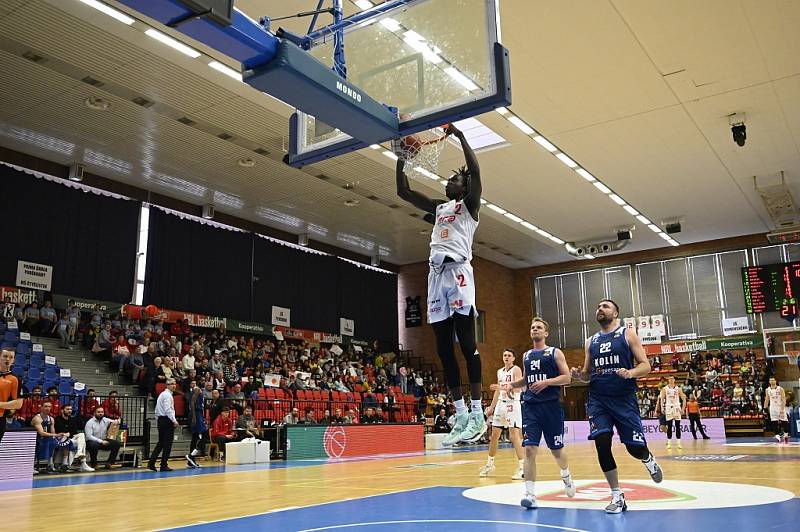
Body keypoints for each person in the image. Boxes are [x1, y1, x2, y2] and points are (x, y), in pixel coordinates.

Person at [395, 123, 485, 446]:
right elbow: (403, 191)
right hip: (436, 277)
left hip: (459, 273)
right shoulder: (439, 209)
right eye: (450, 178)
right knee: (444, 350)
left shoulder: (470, 207)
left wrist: (460, 137)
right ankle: (461, 415)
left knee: (466, 344)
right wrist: (401, 156)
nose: (450, 180)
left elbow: (475, 170)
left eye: (455, 178)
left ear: (465, 186)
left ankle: (478, 412)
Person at [570, 300, 663, 514]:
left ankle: (647, 458)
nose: (600, 309)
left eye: (605, 306)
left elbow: (646, 365)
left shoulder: (627, 334)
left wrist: (630, 373)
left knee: (635, 449)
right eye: (598, 306)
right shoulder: (590, 341)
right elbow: (586, 374)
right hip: (598, 399)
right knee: (602, 443)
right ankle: (617, 495)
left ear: (616, 313)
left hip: (623, 398)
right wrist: (579, 375)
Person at [493, 318, 575, 509]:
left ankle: (566, 475)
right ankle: (530, 494)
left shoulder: (555, 352)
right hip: (531, 407)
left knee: (557, 450)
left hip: (551, 407)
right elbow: (526, 380)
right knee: (530, 449)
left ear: (546, 333)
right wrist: (511, 385)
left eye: (539, 327)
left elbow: (567, 378)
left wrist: (546, 382)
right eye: (532, 327)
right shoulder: (527, 355)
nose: (535, 329)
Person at [480, 349, 525, 480]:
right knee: (494, 435)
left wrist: (501, 388)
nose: (506, 357)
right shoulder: (500, 371)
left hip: (513, 403)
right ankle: (489, 465)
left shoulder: (516, 370)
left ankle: (522, 468)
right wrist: (492, 407)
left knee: (514, 436)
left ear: (513, 358)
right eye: (504, 355)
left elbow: (518, 388)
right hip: (501, 403)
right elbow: (497, 392)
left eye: (509, 355)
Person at [148, 378, 178, 472]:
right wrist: (174, 420)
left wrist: (158, 419)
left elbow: (157, 410)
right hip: (166, 420)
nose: (174, 385)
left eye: (174, 383)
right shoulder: (167, 395)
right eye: (171, 384)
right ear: (167, 385)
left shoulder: (162, 394)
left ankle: (151, 462)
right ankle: (163, 464)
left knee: (161, 443)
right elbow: (168, 409)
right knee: (167, 444)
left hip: (161, 420)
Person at [53, 404, 94, 472]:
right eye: (67, 409)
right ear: (62, 410)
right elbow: (58, 430)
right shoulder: (57, 419)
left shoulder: (72, 419)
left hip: (70, 438)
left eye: (70, 409)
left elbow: (74, 431)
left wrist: (69, 433)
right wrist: (67, 433)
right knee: (81, 443)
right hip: (60, 439)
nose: (69, 411)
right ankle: (82, 463)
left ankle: (79, 452)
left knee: (81, 435)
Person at [656, 375, 686, 449]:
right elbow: (662, 399)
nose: (671, 380)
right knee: (669, 426)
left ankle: (678, 443)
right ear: (668, 380)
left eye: (672, 378)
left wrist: (683, 409)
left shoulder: (678, 389)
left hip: (676, 407)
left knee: (677, 426)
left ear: (674, 380)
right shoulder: (664, 389)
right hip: (668, 407)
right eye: (670, 379)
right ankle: (669, 443)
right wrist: (662, 408)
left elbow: (684, 399)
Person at [32, 401, 63, 473]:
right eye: (45, 406)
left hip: (46, 438)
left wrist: (58, 436)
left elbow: (53, 432)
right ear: (41, 407)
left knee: (55, 442)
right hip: (36, 438)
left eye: (49, 407)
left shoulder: (51, 419)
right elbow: (41, 433)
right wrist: (55, 435)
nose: (48, 408)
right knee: (45, 442)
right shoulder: (37, 418)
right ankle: (32, 466)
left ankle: (51, 464)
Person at [0, 348, 23, 444]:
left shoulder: (15, 379)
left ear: (13, 360)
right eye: (5, 356)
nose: (7, 359)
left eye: (11, 357)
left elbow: (18, 404)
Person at [186, 384, 208, 468]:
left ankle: (190, 461)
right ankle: (192, 455)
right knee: (205, 434)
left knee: (195, 437)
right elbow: (192, 402)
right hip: (196, 415)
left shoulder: (198, 390)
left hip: (197, 414)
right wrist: (194, 417)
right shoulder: (197, 389)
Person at [764, 377, 789, 443]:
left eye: (773, 380)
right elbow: (767, 399)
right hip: (772, 407)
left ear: (775, 381)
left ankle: (786, 435)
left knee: (784, 422)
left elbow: (783, 399)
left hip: (780, 406)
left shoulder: (780, 389)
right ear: (769, 382)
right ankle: (777, 437)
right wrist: (765, 408)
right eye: (770, 380)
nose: (772, 381)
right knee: (774, 422)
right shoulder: (767, 390)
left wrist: (782, 408)